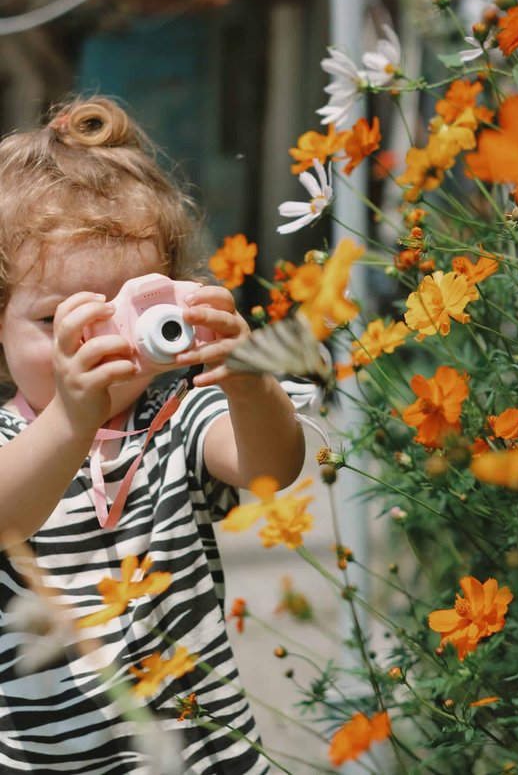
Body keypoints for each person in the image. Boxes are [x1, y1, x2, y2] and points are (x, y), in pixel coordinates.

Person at [0, 97, 306, 774]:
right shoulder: (10, 441)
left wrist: (248, 383)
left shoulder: (175, 413)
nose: (97, 342)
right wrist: (71, 420)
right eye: (56, 320)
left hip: (203, 755)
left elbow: (271, 467)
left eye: (128, 310)